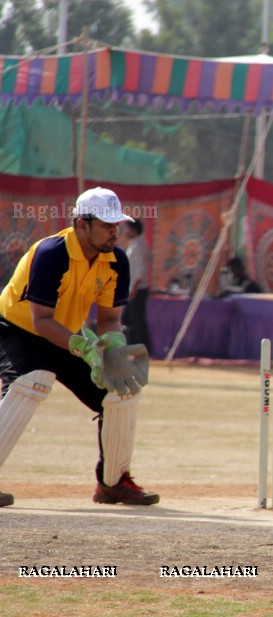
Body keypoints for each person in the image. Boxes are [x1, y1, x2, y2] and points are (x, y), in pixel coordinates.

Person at [0, 187, 158, 508]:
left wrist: (113, 348)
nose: (116, 231)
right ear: (81, 224)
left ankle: (113, 483)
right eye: (106, 224)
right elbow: (41, 320)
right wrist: (84, 348)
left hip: (65, 333)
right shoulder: (51, 253)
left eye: (118, 224)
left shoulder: (117, 260)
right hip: (17, 329)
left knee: (121, 391)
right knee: (32, 380)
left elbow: (111, 318)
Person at [120, 218, 153, 353]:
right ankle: (132, 347)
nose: (126, 232)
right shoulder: (135, 244)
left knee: (137, 320)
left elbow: (140, 270)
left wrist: (134, 289)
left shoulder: (139, 246)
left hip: (137, 289)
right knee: (128, 319)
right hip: (133, 288)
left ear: (134, 230)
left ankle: (143, 349)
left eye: (128, 229)